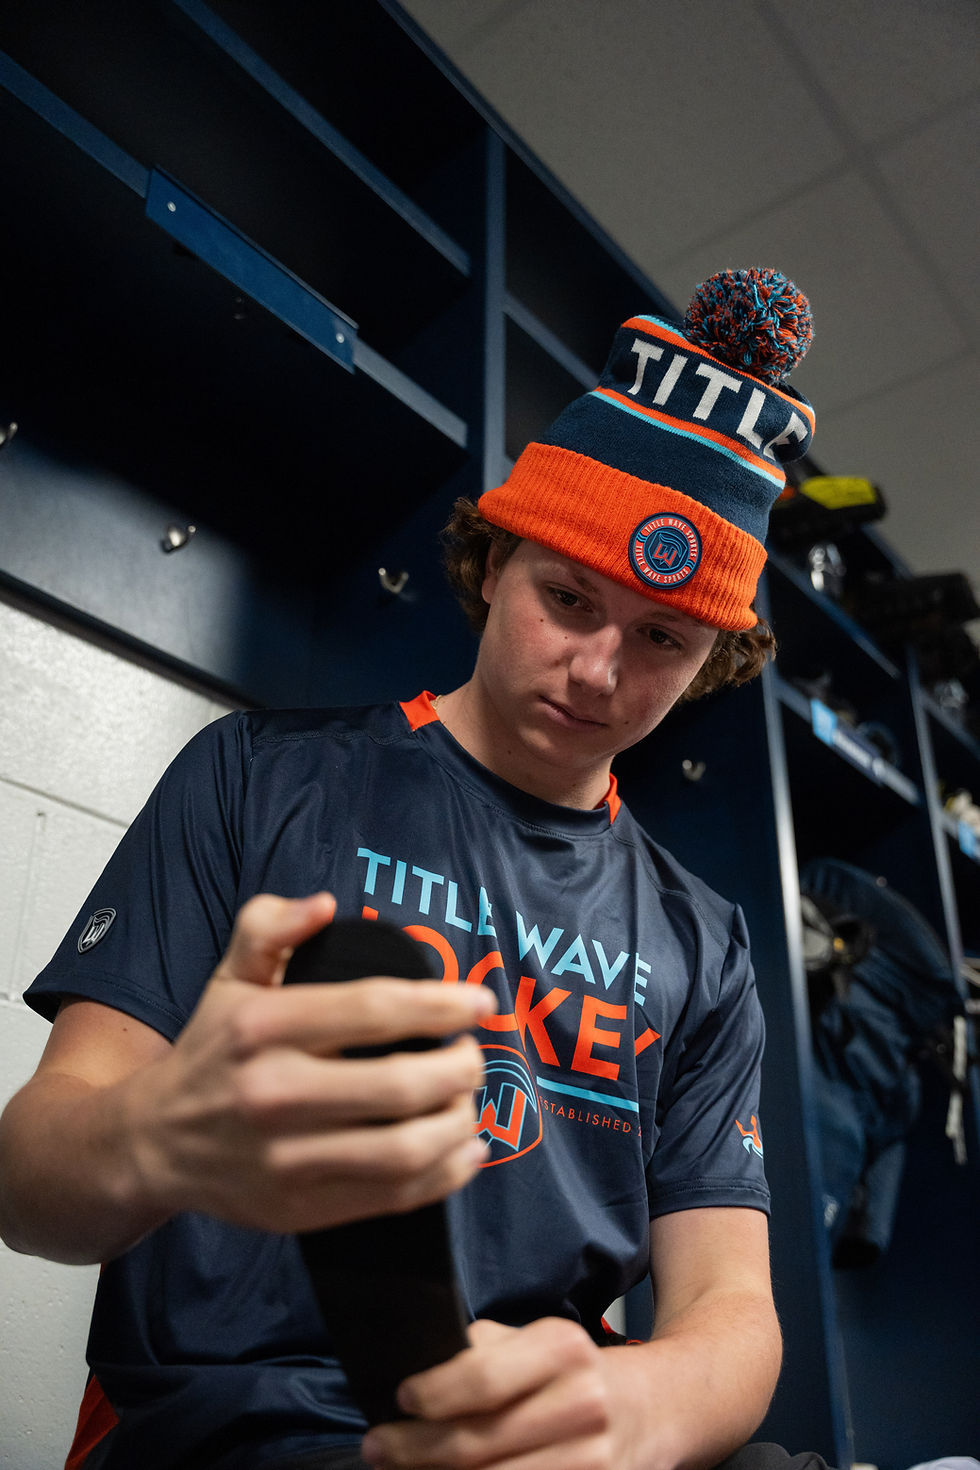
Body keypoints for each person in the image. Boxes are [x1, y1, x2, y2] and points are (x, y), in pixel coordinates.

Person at [0, 269, 825, 1470]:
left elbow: (728, 1309)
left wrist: (638, 1410)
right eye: (566, 598)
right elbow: (28, 1182)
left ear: (707, 661)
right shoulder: (257, 777)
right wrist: (157, 1135)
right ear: (492, 563)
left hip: (527, 1435)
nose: (598, 672)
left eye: (660, 638)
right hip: (242, 1424)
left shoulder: (703, 942)